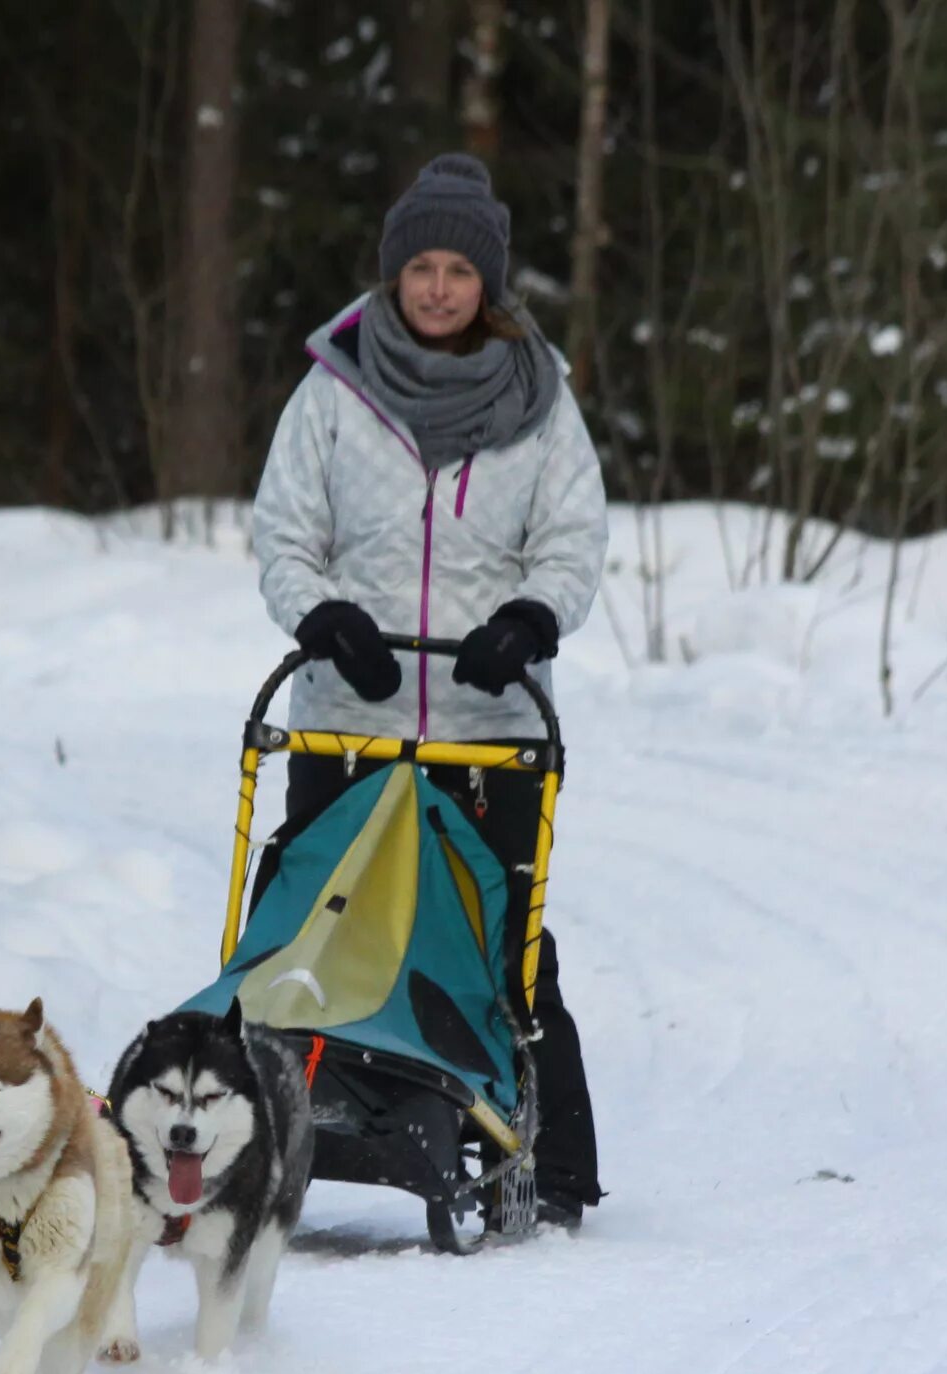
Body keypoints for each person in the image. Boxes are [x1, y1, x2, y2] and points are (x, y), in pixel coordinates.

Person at [247, 152, 606, 1224]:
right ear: (394, 273)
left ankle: (551, 1155)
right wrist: (321, 618)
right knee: (309, 915)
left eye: (460, 270)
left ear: (486, 285)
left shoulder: (541, 400)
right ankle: (268, 1116)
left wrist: (530, 619)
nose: (440, 287)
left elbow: (573, 541)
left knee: (497, 938)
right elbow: (283, 530)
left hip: (488, 725)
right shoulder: (332, 391)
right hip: (347, 720)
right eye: (423, 267)